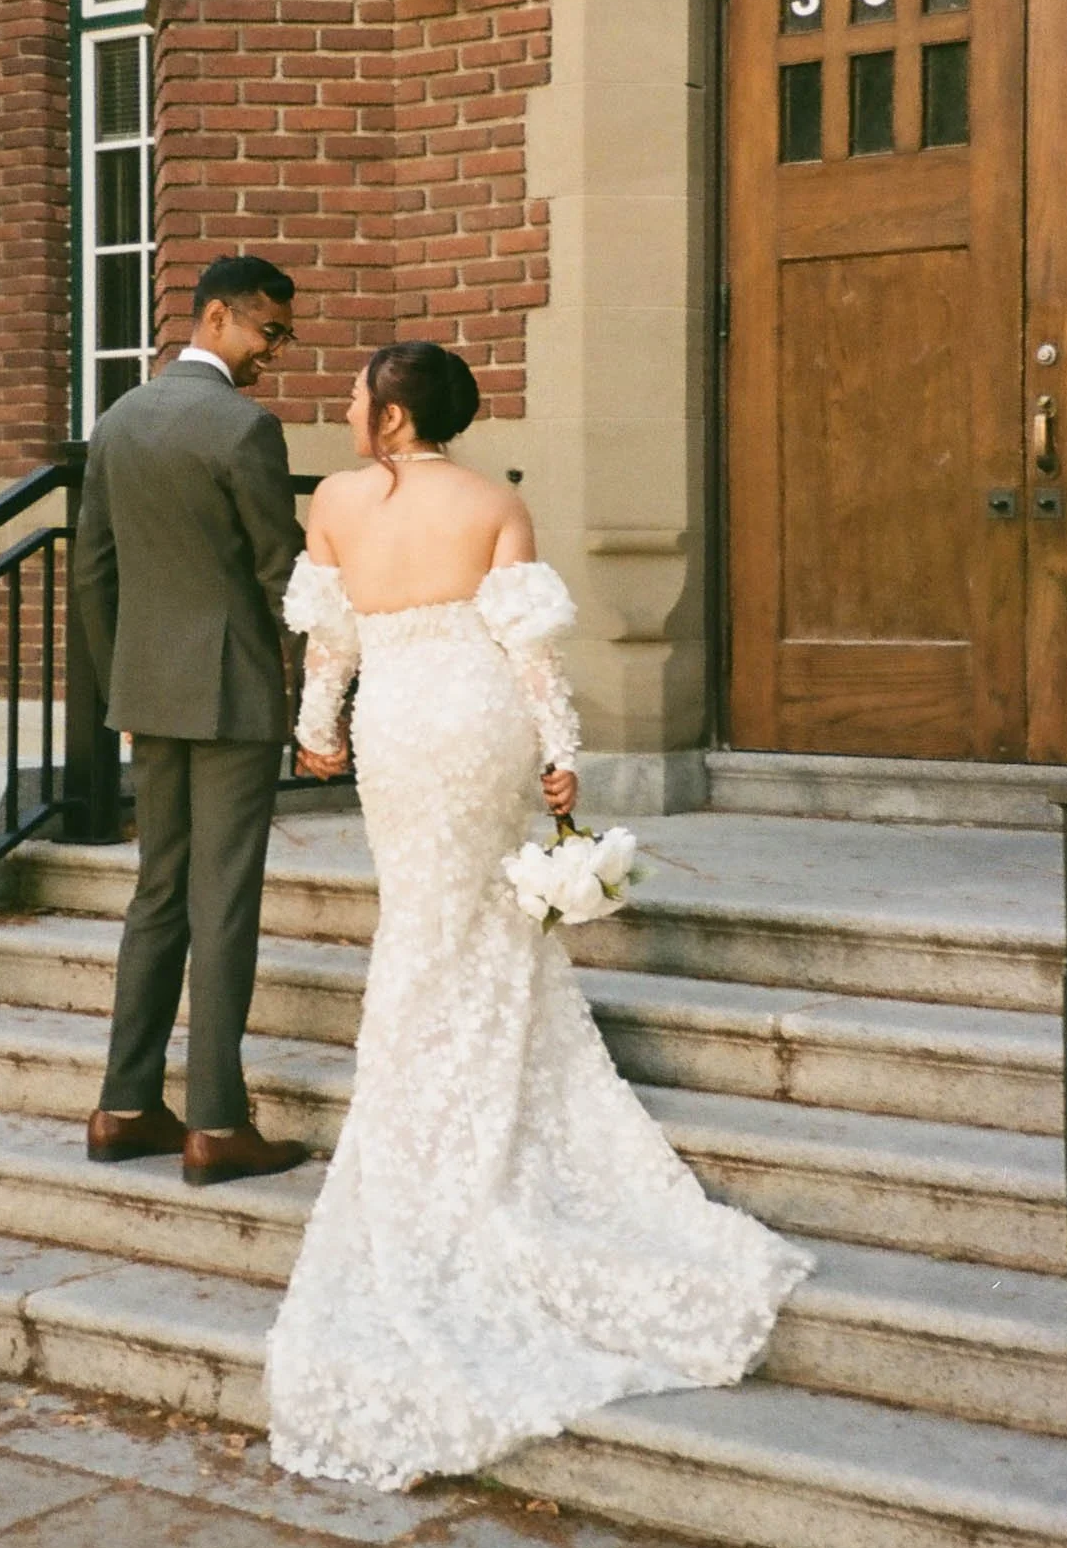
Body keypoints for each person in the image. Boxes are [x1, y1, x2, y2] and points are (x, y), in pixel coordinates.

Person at [268, 339, 812, 1489]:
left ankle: (417, 1106)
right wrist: (562, 761)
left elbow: (331, 641)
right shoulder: (494, 501)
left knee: (419, 912)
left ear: (396, 412)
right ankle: (481, 1091)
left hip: (395, 725)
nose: (346, 407)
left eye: (360, 395)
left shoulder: (332, 500)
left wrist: (316, 728)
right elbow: (527, 652)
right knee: (478, 914)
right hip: (473, 717)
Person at [74, 254, 311, 1187]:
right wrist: (319, 683)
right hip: (231, 694)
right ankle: (216, 1121)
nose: (274, 355)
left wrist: (118, 687)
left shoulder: (119, 418)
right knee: (223, 903)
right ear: (216, 318)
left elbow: (94, 569)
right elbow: (278, 574)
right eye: (269, 332)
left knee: (157, 894)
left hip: (148, 692)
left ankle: (123, 1105)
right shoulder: (244, 429)